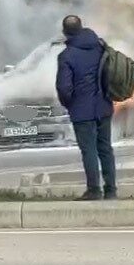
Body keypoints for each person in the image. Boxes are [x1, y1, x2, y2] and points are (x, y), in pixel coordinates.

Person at [55, 15, 117, 200]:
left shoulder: (66, 56)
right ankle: (111, 190)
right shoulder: (100, 47)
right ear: (81, 27)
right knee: (105, 148)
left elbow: (63, 88)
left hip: (82, 112)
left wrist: (70, 104)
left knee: (89, 150)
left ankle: (94, 190)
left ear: (65, 32)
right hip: (104, 107)